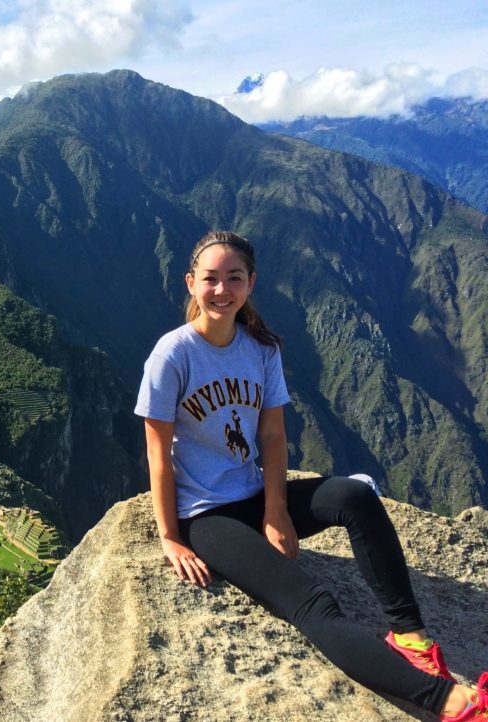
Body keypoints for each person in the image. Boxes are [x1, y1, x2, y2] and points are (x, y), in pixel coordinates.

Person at [135, 230, 487, 720]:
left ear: (251, 283)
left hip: (253, 492)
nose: (222, 290)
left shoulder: (260, 348)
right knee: (311, 602)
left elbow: (274, 438)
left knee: (355, 497)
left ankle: (409, 636)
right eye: (210, 279)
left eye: (233, 278)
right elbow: (156, 451)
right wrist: (171, 537)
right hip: (206, 515)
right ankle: (450, 702)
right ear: (191, 284)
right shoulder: (172, 355)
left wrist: (276, 511)